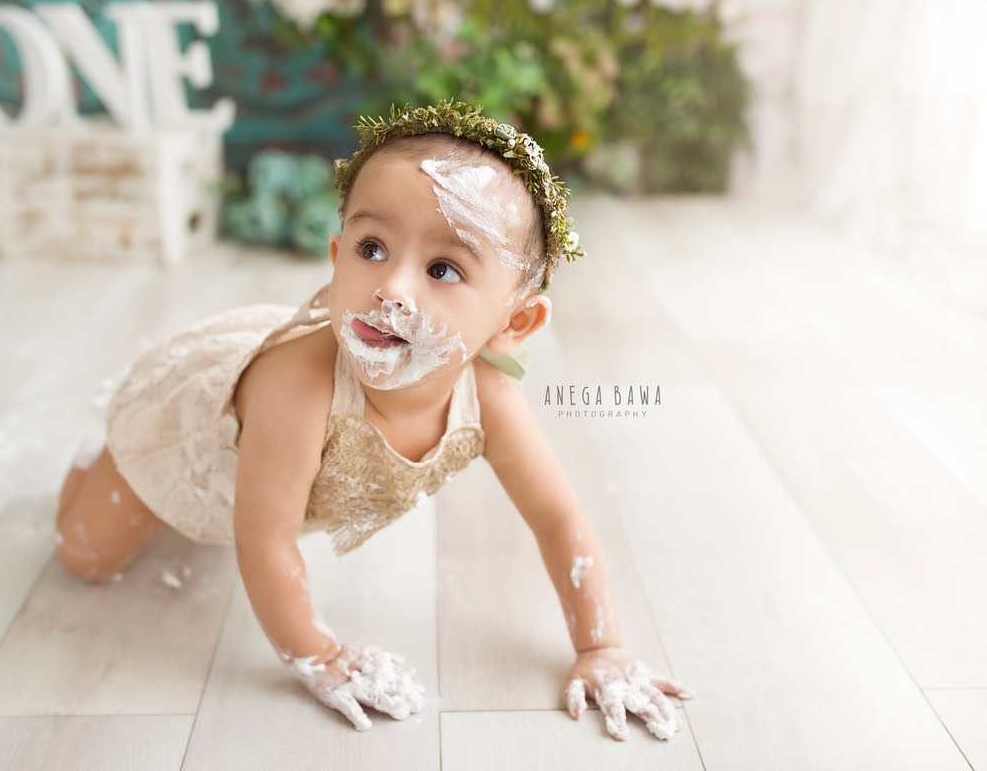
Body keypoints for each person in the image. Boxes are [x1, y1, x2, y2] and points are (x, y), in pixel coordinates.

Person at [54, 99, 694, 739]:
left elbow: (559, 519)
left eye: (443, 269)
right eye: (370, 247)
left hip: (266, 482)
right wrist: (320, 655)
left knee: (247, 510)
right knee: (84, 557)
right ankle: (96, 455)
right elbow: (265, 539)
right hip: (186, 444)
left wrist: (600, 646)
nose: (390, 288)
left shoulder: (489, 397)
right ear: (336, 258)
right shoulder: (297, 389)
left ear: (513, 322)